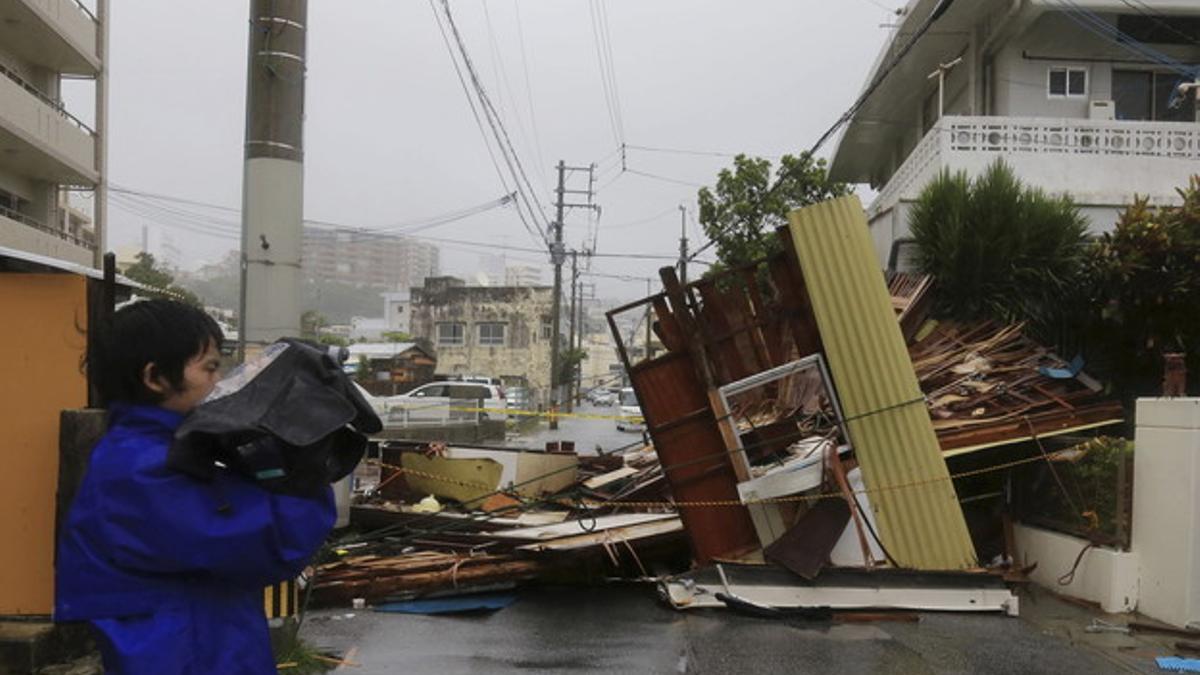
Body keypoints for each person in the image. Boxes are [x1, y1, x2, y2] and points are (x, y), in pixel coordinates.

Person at [56, 299, 335, 674]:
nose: (218, 383)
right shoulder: (143, 470)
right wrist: (306, 468)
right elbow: (268, 543)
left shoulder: (162, 451)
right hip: (189, 653)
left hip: (193, 643)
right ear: (155, 378)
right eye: (210, 368)